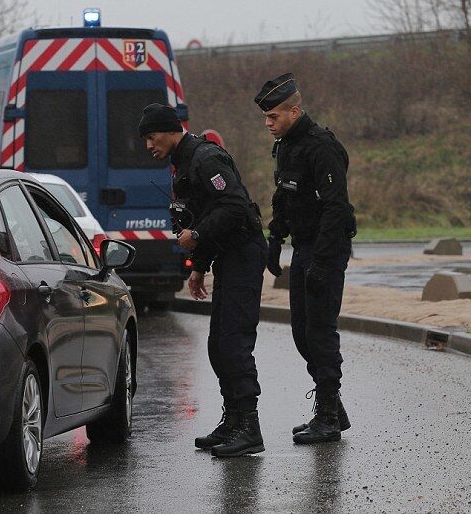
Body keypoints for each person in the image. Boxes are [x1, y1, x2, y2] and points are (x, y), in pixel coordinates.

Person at [138, 103, 268, 458]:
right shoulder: (183, 162)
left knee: (234, 341)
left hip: (244, 252)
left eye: (151, 137)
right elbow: (210, 213)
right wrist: (200, 266)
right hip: (228, 253)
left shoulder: (206, 159)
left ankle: (249, 427)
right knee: (218, 344)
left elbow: (234, 207)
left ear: (168, 130)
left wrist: (195, 235)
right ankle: (233, 421)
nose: (149, 145)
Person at [255, 73, 356, 444]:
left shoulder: (321, 147)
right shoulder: (285, 146)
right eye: (266, 118)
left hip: (325, 247)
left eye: (274, 117)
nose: (268, 124)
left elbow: (336, 209)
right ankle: (331, 404)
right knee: (301, 331)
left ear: (294, 111)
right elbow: (284, 196)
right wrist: (275, 238)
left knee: (320, 329)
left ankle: (328, 414)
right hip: (302, 246)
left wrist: (323, 262)